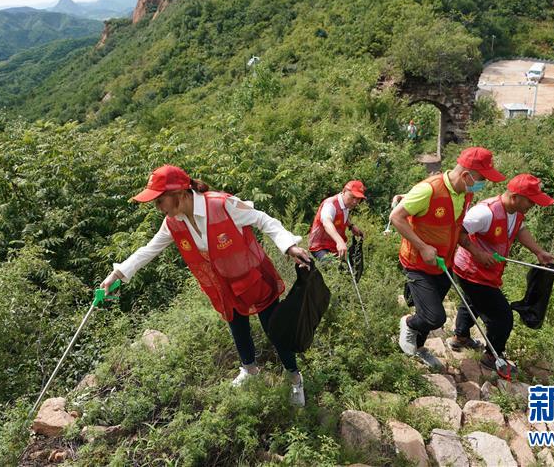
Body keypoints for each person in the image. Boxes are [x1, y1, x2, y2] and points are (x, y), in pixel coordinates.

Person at [101, 165, 313, 406]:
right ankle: (250, 370)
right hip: (223, 284)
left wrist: (289, 246)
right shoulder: (173, 222)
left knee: (275, 329)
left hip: (251, 275)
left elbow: (263, 219)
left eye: (160, 200)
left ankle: (295, 378)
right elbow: (148, 250)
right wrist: (116, 274)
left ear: (180, 195)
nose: (157, 207)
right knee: (237, 325)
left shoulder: (222, 205)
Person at [389, 147, 505, 370]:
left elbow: (455, 228)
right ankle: (408, 323)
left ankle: (417, 349)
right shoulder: (429, 190)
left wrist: (476, 251)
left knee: (428, 312)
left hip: (444, 262)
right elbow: (397, 217)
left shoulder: (465, 193)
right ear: (465, 175)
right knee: (434, 317)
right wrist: (423, 247)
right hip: (418, 263)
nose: (483, 184)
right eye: (481, 179)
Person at [448, 173, 554, 375]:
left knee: (471, 302)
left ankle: (460, 338)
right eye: (530, 201)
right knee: (502, 317)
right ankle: (492, 356)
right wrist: (478, 253)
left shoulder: (515, 212)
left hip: (487, 271)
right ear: (515, 196)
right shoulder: (485, 212)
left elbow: (520, 229)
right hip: (471, 270)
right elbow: (458, 231)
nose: (533, 205)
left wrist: (538, 252)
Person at [308, 180, 366, 260]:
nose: (355, 202)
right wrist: (340, 241)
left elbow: (342, 214)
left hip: (335, 247)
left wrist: (351, 226)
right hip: (320, 247)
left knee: (347, 270)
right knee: (333, 267)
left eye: (358, 199)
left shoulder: (346, 204)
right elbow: (326, 222)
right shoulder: (330, 204)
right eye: (352, 197)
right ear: (344, 191)